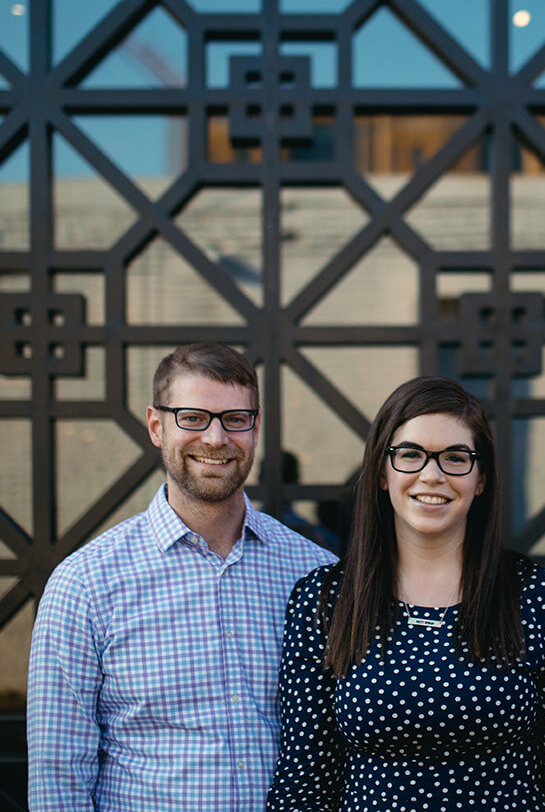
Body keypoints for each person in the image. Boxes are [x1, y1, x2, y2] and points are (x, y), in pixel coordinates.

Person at [266, 376, 545, 812]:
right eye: (410, 455)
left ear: (481, 478)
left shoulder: (543, 600)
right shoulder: (325, 602)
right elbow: (305, 782)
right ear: (380, 470)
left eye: (455, 457)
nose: (431, 476)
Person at [28, 342, 336, 811]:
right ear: (156, 425)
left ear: (256, 428)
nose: (216, 438)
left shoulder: (312, 573)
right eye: (193, 417)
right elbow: (58, 777)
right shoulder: (85, 584)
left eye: (235, 418)